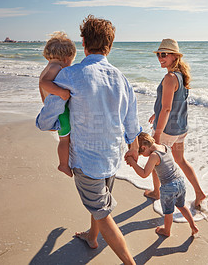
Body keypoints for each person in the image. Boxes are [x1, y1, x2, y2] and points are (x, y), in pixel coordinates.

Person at [36, 15, 141, 265]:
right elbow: (131, 121)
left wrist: (50, 119)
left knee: (102, 213)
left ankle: (129, 262)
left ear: (83, 42)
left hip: (86, 160)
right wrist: (133, 148)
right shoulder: (121, 78)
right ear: (111, 45)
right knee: (99, 205)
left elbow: (45, 121)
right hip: (112, 156)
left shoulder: (69, 76)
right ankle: (91, 238)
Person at [144, 38, 206, 208]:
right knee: (180, 160)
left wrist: (157, 133)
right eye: (159, 54)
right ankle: (200, 193)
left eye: (164, 54)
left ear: (174, 56)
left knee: (154, 158)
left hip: (167, 130)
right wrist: (155, 113)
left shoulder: (170, 77)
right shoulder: (181, 76)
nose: (160, 58)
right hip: (180, 128)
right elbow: (171, 103)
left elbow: (166, 109)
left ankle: (157, 192)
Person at [126, 132, 199, 237]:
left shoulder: (154, 156)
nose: (143, 156)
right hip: (180, 182)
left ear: (143, 147)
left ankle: (167, 231)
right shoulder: (165, 147)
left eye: (141, 154)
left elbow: (144, 174)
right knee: (181, 206)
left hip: (169, 187)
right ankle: (193, 225)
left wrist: (133, 163)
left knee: (168, 212)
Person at [39, 31, 76, 177]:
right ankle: (63, 164)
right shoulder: (55, 68)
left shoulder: (48, 68)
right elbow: (44, 83)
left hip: (53, 110)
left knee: (64, 138)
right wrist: (61, 93)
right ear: (66, 59)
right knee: (64, 139)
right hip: (60, 112)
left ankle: (65, 162)